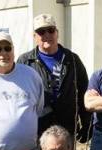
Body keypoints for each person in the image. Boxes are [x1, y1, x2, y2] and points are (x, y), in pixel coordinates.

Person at [17, 13, 91, 142]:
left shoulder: (72, 59)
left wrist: (86, 123)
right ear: (35, 36)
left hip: (66, 127)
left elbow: (84, 91)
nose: (46, 35)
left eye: (50, 30)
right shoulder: (25, 61)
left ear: (57, 33)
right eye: (41, 32)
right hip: (37, 129)